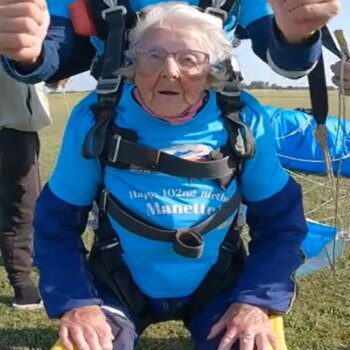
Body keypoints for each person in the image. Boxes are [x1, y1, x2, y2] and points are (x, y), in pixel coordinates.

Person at [34, 4, 307, 349]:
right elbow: (55, 222)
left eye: (190, 59)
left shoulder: (242, 119)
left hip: (218, 284)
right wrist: (78, 304)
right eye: (153, 56)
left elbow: (282, 223)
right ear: (132, 64)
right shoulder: (97, 116)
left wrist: (255, 300)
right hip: (116, 286)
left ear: (211, 71)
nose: (169, 71)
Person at [0, 0, 340, 84]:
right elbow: (53, 49)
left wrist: (297, 34)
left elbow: (287, 61)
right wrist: (25, 52)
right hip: (115, 127)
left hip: (217, 131)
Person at [0, 64, 50, 309]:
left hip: (22, 131)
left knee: (26, 206)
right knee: (20, 210)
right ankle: (23, 288)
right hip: (10, 131)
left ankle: (27, 264)